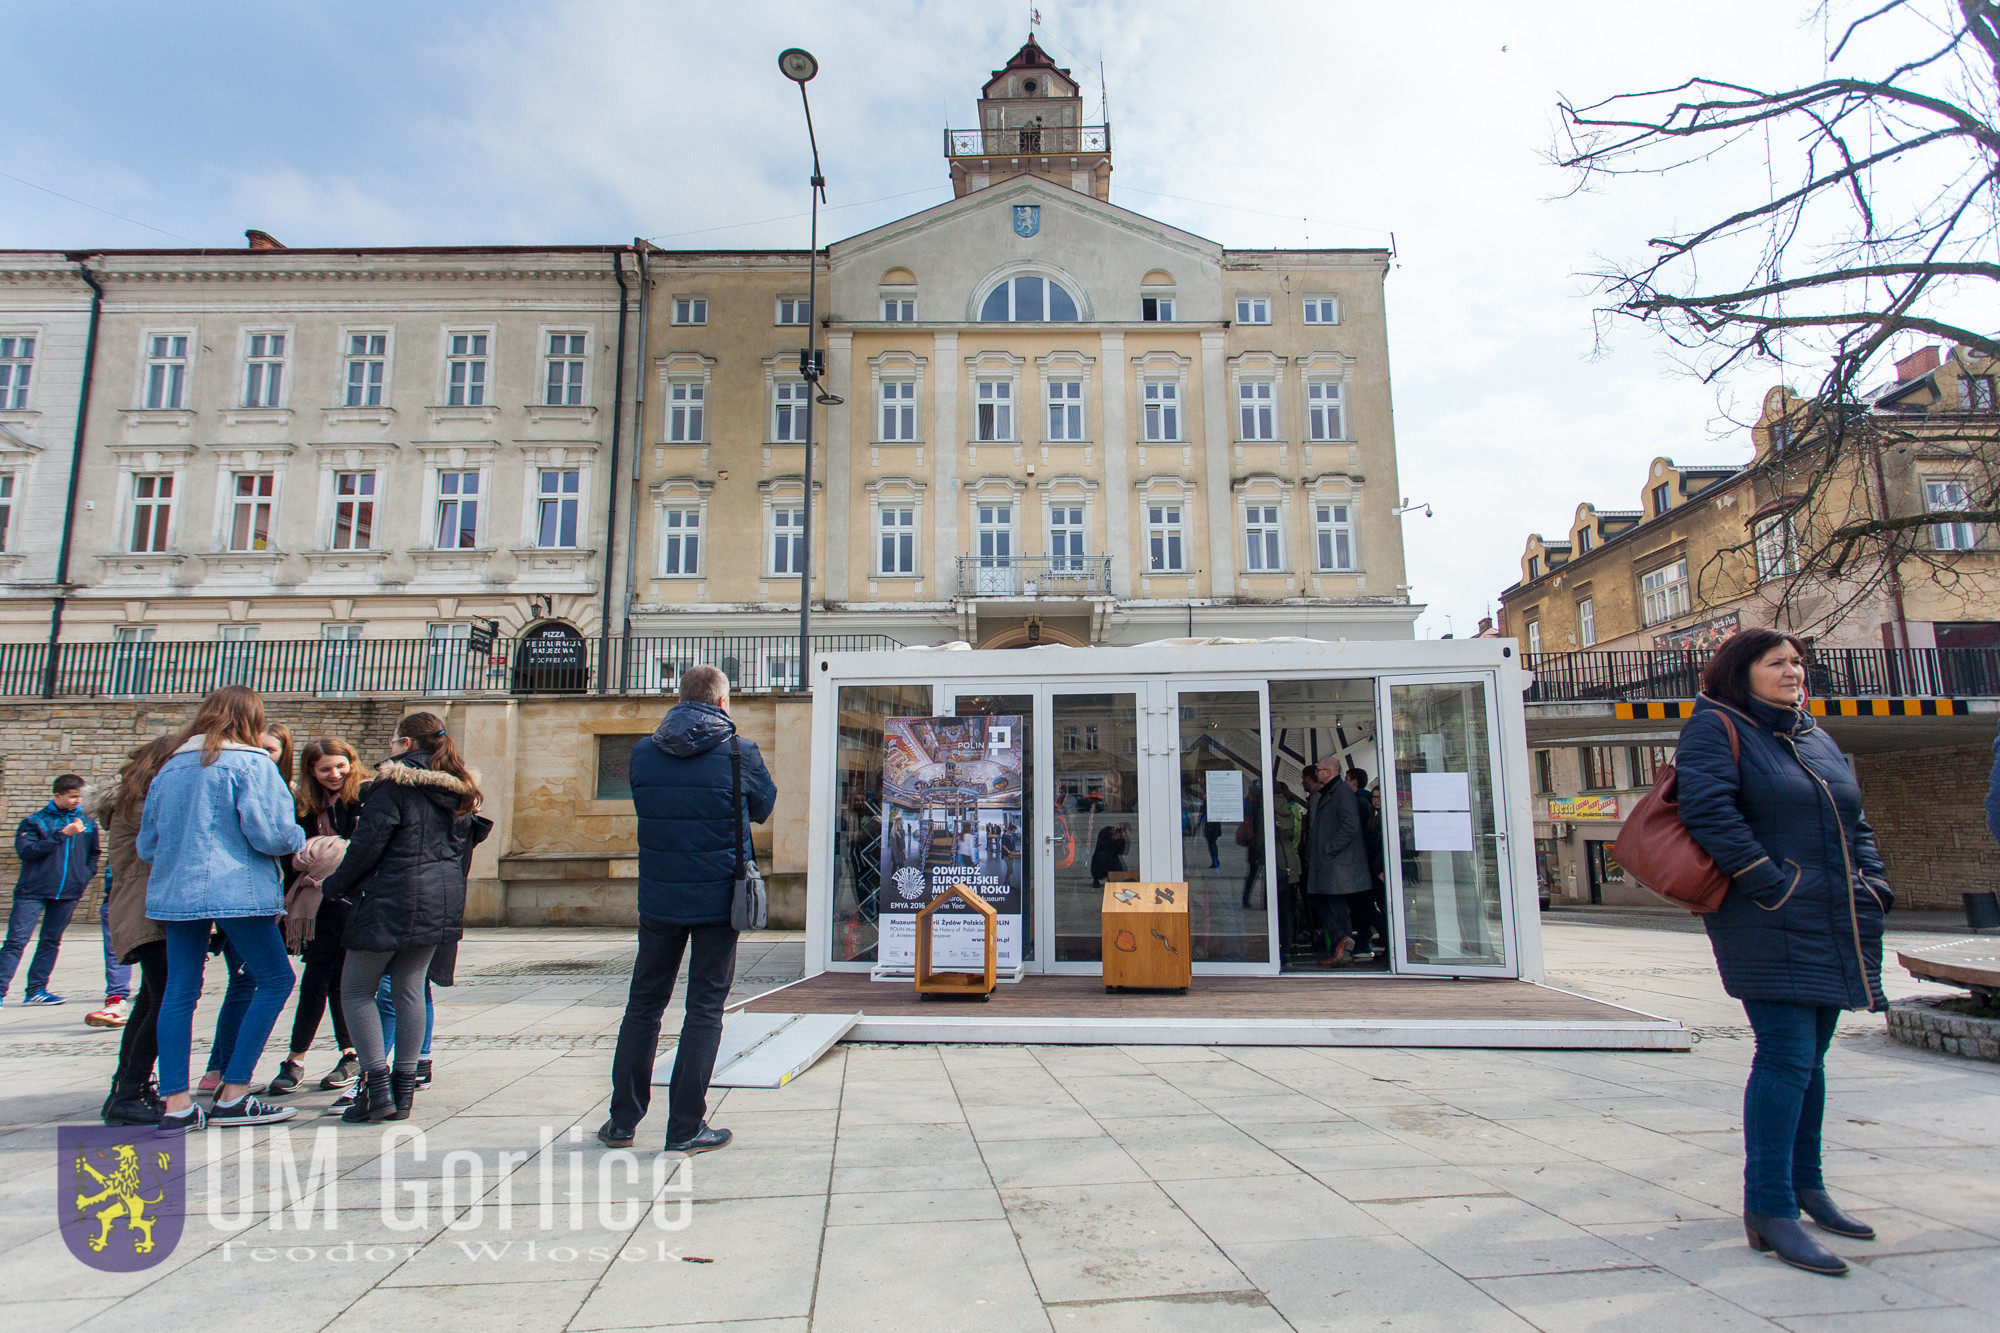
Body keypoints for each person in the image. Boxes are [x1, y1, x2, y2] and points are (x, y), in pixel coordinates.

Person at [1677, 627, 1891, 1278]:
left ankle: (1807, 1185)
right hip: (1768, 915)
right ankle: (1769, 1207)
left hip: (1832, 911)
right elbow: (1708, 811)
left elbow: (1854, 818)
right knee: (1785, 1053)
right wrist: (1769, 881)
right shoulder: (1716, 726)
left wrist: (1875, 881)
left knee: (1812, 1057)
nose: (1794, 671)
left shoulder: (1811, 733)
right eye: (1778, 663)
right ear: (1743, 672)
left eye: (1798, 662)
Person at [601, 664, 775, 1155]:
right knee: (704, 1007)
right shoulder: (739, 753)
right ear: (722, 702)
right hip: (720, 897)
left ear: (681, 699)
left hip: (659, 896)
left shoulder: (643, 751)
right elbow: (764, 806)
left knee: (643, 1005)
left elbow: (646, 805)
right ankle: (684, 1127)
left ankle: (622, 1121)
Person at [140, 686, 305, 1131]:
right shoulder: (252, 764)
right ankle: (233, 1093)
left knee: (178, 991)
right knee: (274, 979)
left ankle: (176, 1104)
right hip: (238, 888)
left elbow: (148, 844)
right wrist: (298, 841)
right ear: (251, 718)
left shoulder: (169, 769)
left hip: (177, 891)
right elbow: (271, 835)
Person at [318, 712, 480, 1124]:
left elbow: (367, 845)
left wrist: (335, 886)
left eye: (394, 742)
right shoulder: (460, 788)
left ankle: (376, 1088)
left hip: (392, 897)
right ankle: (403, 1092)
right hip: (440, 899)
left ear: (407, 744)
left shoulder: (392, 784)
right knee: (409, 989)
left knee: (355, 990)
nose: (390, 749)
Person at [265, 736, 367, 1098]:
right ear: (311, 771)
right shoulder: (304, 806)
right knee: (321, 980)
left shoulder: (363, 798)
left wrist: (330, 857)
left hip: (351, 902)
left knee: (338, 980)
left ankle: (336, 1055)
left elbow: (361, 850)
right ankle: (309, 1057)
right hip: (315, 903)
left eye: (341, 766)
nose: (335, 774)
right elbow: (296, 853)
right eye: (325, 769)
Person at [195, 723, 293, 1095]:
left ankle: (221, 1072)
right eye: (262, 747)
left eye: (273, 749)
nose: (265, 754)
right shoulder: (246, 777)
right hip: (244, 893)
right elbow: (274, 838)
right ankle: (226, 1074)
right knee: (252, 980)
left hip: (266, 895)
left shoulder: (279, 787)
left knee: (249, 981)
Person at [85, 736, 179, 1124]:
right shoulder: (143, 803)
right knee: (167, 1000)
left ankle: (125, 1088)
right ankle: (130, 1090)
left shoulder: (132, 797)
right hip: (147, 910)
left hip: (139, 907)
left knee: (150, 1000)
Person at [1, 774, 101, 1008]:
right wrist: (62, 834)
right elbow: (27, 852)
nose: (77, 801)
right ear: (57, 795)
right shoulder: (35, 821)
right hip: (32, 892)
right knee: (16, 941)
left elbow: (94, 853)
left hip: (68, 892)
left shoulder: (87, 822)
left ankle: (37, 990)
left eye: (80, 796)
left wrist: (84, 876)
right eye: (72, 796)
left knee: (51, 941)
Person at [1305, 757, 1371, 965]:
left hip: (1338, 864)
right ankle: (1342, 946)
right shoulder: (1334, 792)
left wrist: (1329, 848)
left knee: (1327, 901)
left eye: (1319, 769)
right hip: (1334, 863)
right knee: (1331, 903)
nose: (1316, 772)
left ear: (1328, 772)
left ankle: (1341, 942)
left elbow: (1350, 826)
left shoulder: (1341, 793)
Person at [1346, 767, 1389, 960]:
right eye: (1375, 797)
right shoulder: (1373, 816)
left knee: (1377, 907)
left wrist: (1380, 868)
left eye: (1379, 797)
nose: (1376, 800)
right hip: (1372, 868)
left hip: (1377, 870)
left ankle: (1389, 941)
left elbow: (1383, 845)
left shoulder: (1383, 819)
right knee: (1372, 906)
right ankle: (1387, 940)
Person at [1089, 823, 1129, 888]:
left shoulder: (1120, 838)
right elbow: (1102, 845)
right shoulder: (1105, 832)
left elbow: (1121, 852)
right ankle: (1097, 879)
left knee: (1117, 865)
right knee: (1102, 859)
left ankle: (1111, 879)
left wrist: (1123, 840)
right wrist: (1113, 838)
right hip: (1101, 856)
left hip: (1111, 857)